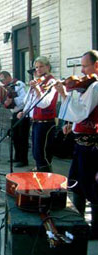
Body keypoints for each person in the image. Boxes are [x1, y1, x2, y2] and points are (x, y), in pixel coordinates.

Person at [54, 50, 98, 239]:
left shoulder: (95, 86)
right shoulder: (88, 86)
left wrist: (64, 95)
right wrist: (72, 126)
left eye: (85, 65)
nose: (82, 70)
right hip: (81, 143)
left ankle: (94, 229)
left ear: (96, 66)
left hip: (92, 146)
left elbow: (83, 112)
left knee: (92, 187)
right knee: (76, 183)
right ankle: (77, 222)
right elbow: (80, 114)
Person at [17, 56, 58, 172]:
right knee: (36, 151)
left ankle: (45, 176)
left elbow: (44, 103)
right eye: (36, 67)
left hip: (45, 122)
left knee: (42, 153)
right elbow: (29, 101)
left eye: (41, 67)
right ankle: (40, 173)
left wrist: (37, 89)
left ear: (47, 67)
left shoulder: (51, 81)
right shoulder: (38, 82)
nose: (38, 69)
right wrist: (24, 111)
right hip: (35, 121)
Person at [0, 71, 30, 167]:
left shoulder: (19, 84)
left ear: (9, 77)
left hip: (22, 112)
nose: (2, 82)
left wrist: (12, 101)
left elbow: (24, 98)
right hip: (14, 113)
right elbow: (5, 100)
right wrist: (6, 103)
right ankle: (17, 157)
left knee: (22, 137)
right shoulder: (6, 87)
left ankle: (23, 160)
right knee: (15, 136)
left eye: (3, 79)